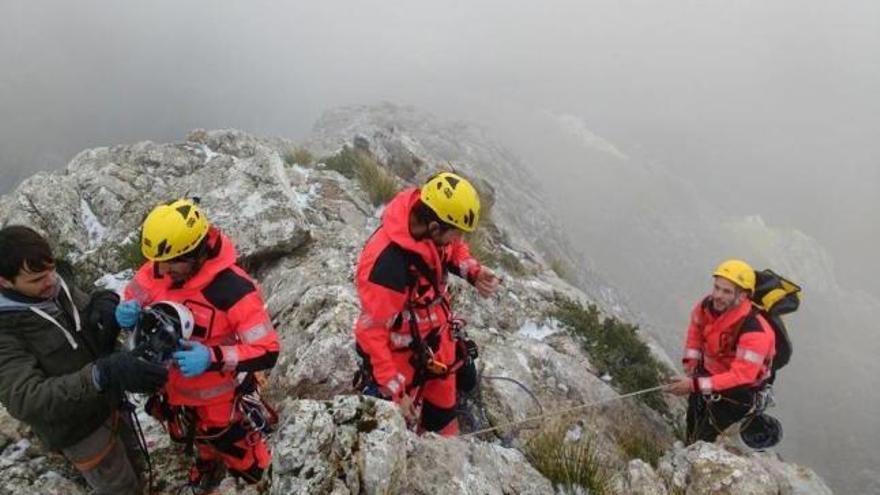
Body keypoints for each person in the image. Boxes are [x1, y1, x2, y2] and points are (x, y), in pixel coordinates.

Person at [117, 199, 280, 493]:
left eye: (173, 262)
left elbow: (267, 350)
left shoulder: (233, 289)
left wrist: (213, 356)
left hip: (220, 399)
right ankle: (205, 462)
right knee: (193, 435)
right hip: (172, 393)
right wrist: (126, 309)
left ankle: (256, 477)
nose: (164, 270)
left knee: (234, 445)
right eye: (159, 262)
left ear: (198, 252)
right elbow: (135, 293)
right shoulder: (157, 268)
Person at [0, 225, 167, 495]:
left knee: (134, 458)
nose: (51, 280)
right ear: (4, 282)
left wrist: (105, 302)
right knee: (117, 485)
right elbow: (27, 399)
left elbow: (84, 307)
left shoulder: (52, 285)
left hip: (111, 400)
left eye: (52, 270)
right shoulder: (5, 331)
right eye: (38, 278)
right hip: (79, 431)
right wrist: (99, 374)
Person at [353, 172, 500, 436]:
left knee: (451, 407)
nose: (458, 239)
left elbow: (452, 250)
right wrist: (396, 392)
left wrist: (473, 272)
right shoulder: (387, 267)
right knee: (412, 428)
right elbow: (370, 333)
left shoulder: (430, 220)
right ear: (435, 228)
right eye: (454, 233)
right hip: (402, 354)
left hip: (437, 340)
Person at [666, 259, 776, 443]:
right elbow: (696, 329)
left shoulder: (755, 332)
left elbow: (741, 376)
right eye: (716, 287)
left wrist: (693, 385)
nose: (717, 295)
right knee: (692, 423)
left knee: (704, 437)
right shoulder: (706, 307)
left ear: (742, 296)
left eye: (726, 291)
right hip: (706, 376)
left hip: (736, 393)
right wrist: (691, 362)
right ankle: (688, 447)